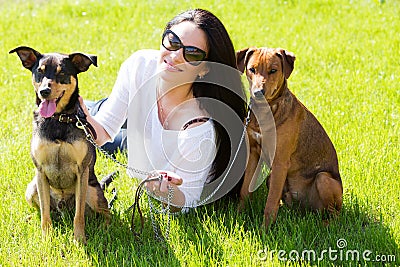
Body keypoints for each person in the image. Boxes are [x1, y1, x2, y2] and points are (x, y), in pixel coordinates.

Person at [81, 9, 247, 210]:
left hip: (142, 139)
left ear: (205, 68)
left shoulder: (200, 130)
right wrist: (78, 113)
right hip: (138, 126)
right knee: (89, 112)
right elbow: (104, 129)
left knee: (116, 144)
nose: (175, 55)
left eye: (193, 54)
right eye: (173, 41)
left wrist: (168, 191)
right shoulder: (140, 65)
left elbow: (189, 200)